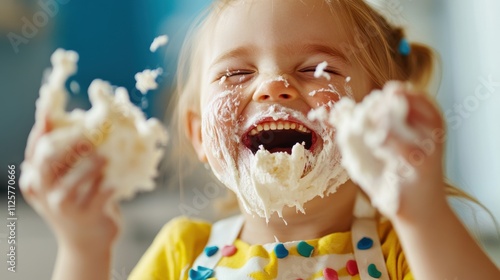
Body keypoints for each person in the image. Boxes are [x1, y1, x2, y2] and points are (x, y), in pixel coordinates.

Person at [20, 0, 500, 279]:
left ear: (374, 115)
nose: (272, 85)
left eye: (319, 69)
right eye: (236, 72)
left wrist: (423, 214)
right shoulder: (182, 253)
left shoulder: (404, 249)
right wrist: (84, 247)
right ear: (198, 135)